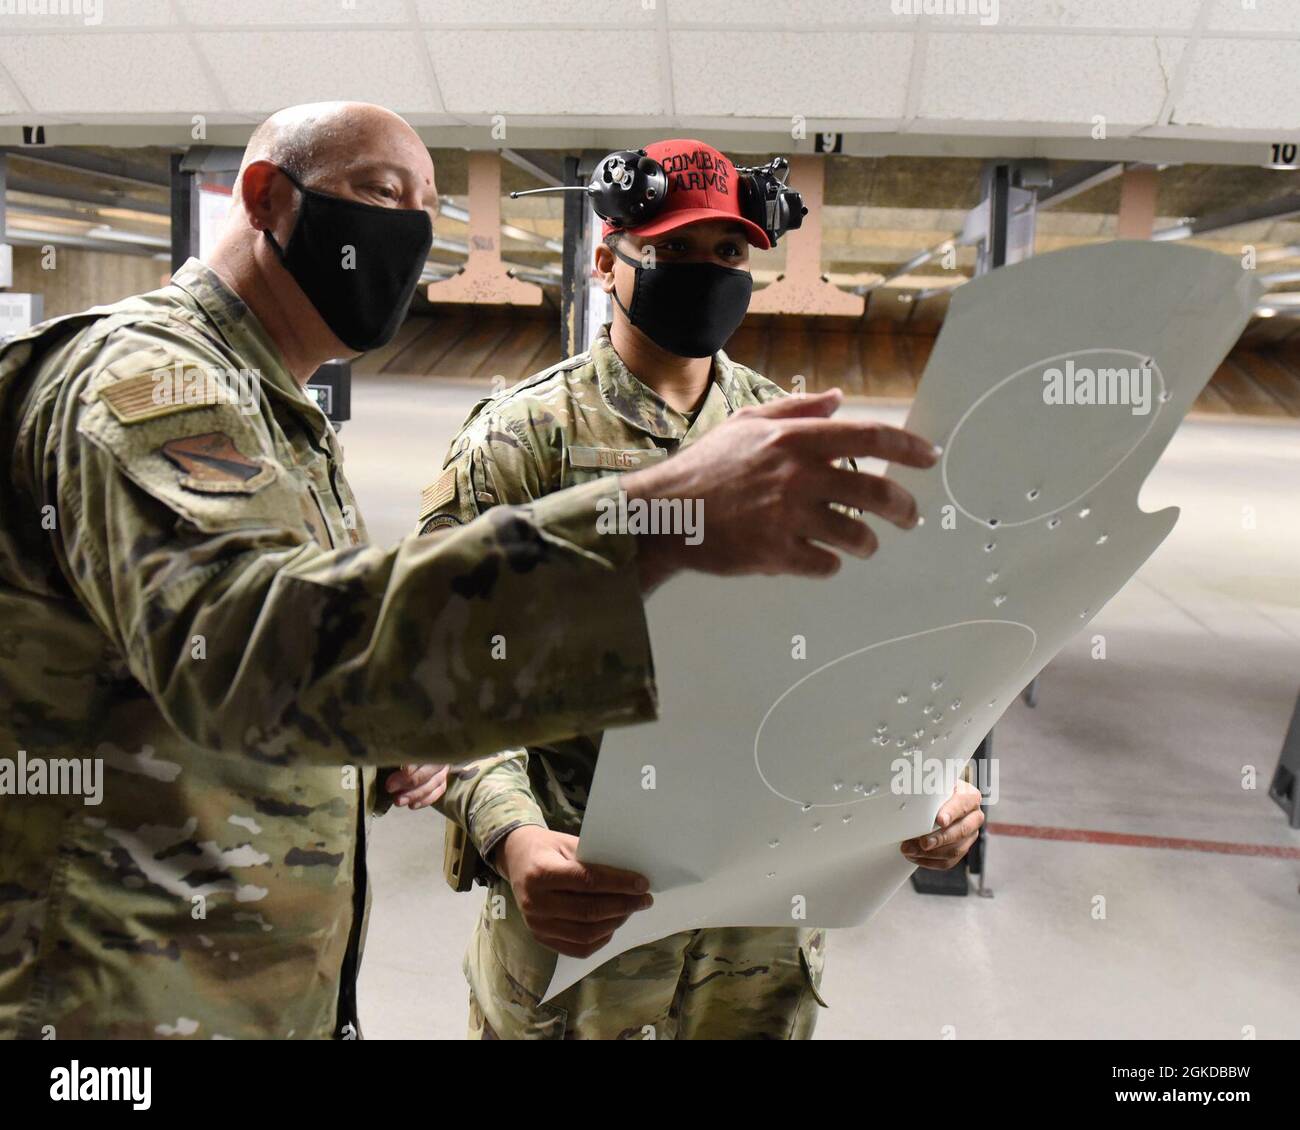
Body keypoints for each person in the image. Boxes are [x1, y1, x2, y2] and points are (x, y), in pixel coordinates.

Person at [0, 109, 939, 1040]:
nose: (407, 231)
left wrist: (913, 777)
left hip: (256, 988)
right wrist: (649, 529)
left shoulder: (277, 416)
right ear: (263, 198)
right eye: (379, 194)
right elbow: (243, 649)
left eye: (428, 206)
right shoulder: (149, 382)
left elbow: (328, 653)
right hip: (120, 1007)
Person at [422, 139, 983, 1040]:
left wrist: (931, 780)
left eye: (727, 253)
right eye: (676, 251)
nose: (707, 272)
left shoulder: (794, 440)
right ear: (607, 263)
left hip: (759, 935)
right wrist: (512, 837)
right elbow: (438, 666)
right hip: (585, 921)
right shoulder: (524, 439)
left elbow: (867, 656)